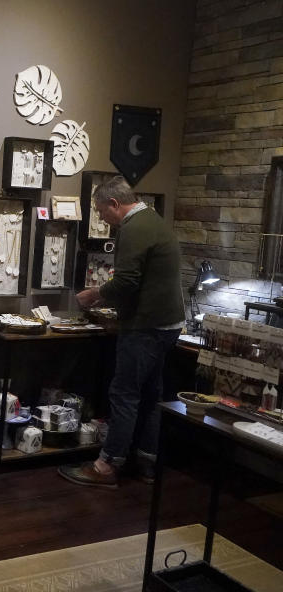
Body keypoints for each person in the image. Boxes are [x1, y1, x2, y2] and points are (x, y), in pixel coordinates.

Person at [58, 176, 184, 489]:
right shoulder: (154, 221)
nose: (102, 219)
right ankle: (146, 462)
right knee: (151, 394)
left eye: (102, 212)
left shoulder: (134, 228)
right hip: (168, 325)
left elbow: (127, 282)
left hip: (145, 327)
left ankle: (106, 466)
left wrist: (94, 294)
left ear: (115, 204)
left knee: (125, 394)